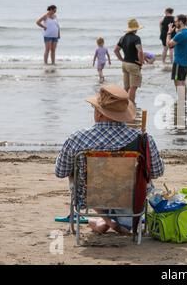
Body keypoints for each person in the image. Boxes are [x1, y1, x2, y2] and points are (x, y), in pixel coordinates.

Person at [55, 85, 165, 235]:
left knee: (74, 170)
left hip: (89, 196)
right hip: (130, 197)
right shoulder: (143, 139)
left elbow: (60, 172)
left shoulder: (77, 138)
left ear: (100, 114)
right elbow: (157, 172)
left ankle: (105, 220)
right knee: (139, 175)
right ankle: (112, 221)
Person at [114, 19, 144, 105]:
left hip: (125, 64)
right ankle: (131, 105)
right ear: (135, 29)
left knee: (126, 87)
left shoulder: (122, 38)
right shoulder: (136, 38)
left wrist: (121, 59)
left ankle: (123, 104)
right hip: (133, 65)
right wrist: (141, 62)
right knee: (133, 87)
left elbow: (116, 50)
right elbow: (140, 51)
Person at [166, 14, 187, 100]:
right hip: (186, 62)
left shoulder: (181, 34)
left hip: (179, 62)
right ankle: (184, 100)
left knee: (178, 83)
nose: (174, 23)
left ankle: (181, 102)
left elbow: (169, 45)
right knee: (182, 82)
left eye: (176, 21)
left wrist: (169, 33)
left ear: (181, 22)